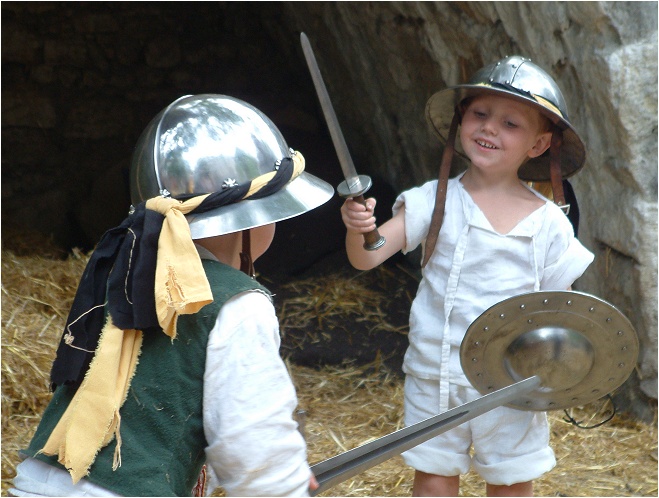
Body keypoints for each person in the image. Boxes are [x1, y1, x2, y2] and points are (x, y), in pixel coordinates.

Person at [10, 94, 334, 497]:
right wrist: (284, 482)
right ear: (247, 221)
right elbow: (254, 453)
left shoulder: (123, 275)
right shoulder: (239, 305)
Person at [340, 56, 594, 496]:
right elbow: (367, 258)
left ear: (538, 145)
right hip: (436, 374)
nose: (489, 128)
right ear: (460, 122)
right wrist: (357, 229)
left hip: (512, 379)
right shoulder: (432, 201)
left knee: (511, 479)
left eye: (511, 123)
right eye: (479, 114)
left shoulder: (550, 222)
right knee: (435, 476)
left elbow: (562, 310)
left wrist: (558, 373)